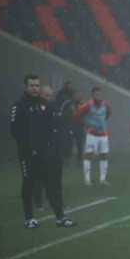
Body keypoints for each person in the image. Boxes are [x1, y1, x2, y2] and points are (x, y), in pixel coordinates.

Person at [10, 75, 74, 228]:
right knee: (28, 185)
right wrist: (30, 148)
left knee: (49, 185)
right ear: (25, 87)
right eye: (31, 85)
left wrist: (50, 146)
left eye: (37, 85)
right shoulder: (19, 106)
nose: (34, 88)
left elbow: (52, 128)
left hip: (44, 153)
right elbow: (15, 131)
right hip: (26, 154)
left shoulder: (44, 104)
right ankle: (29, 219)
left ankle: (61, 218)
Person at [40, 86, 75, 226]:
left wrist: (64, 151)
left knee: (54, 184)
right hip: (42, 155)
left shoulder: (54, 110)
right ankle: (37, 207)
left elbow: (62, 129)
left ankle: (60, 215)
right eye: (46, 95)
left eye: (50, 95)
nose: (49, 98)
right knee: (43, 184)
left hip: (55, 154)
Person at [74, 87, 112, 186]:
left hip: (103, 134)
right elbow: (77, 114)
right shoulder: (87, 105)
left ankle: (102, 179)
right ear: (92, 95)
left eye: (99, 94)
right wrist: (85, 124)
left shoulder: (106, 104)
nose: (98, 97)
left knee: (103, 155)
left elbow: (108, 113)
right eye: (96, 95)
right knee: (88, 155)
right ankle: (87, 179)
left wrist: (102, 123)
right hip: (92, 134)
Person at [59, 89, 84, 165]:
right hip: (69, 127)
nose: (77, 97)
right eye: (76, 95)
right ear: (73, 96)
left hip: (79, 127)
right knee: (69, 143)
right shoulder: (67, 104)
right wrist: (70, 117)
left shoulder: (83, 104)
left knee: (80, 144)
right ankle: (66, 159)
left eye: (79, 96)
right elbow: (62, 114)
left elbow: (86, 115)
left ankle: (79, 161)